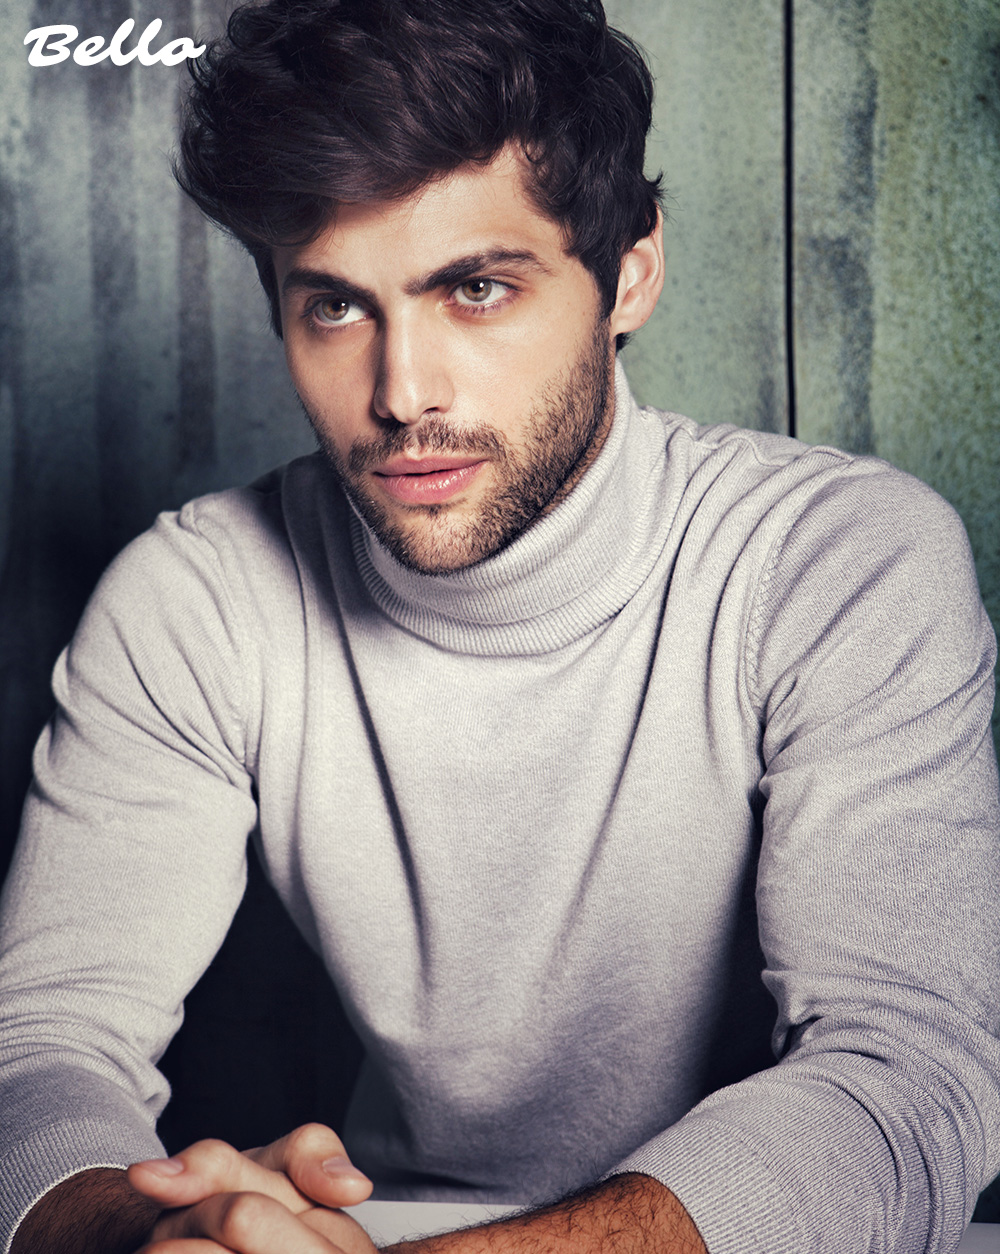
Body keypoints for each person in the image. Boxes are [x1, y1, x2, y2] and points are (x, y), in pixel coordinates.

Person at [2, 0, 999, 1251]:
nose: (401, 392)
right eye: (334, 307)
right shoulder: (197, 599)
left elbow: (905, 1075)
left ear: (629, 273)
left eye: (476, 289)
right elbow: (39, 1046)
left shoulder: (835, 561)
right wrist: (149, 1229)